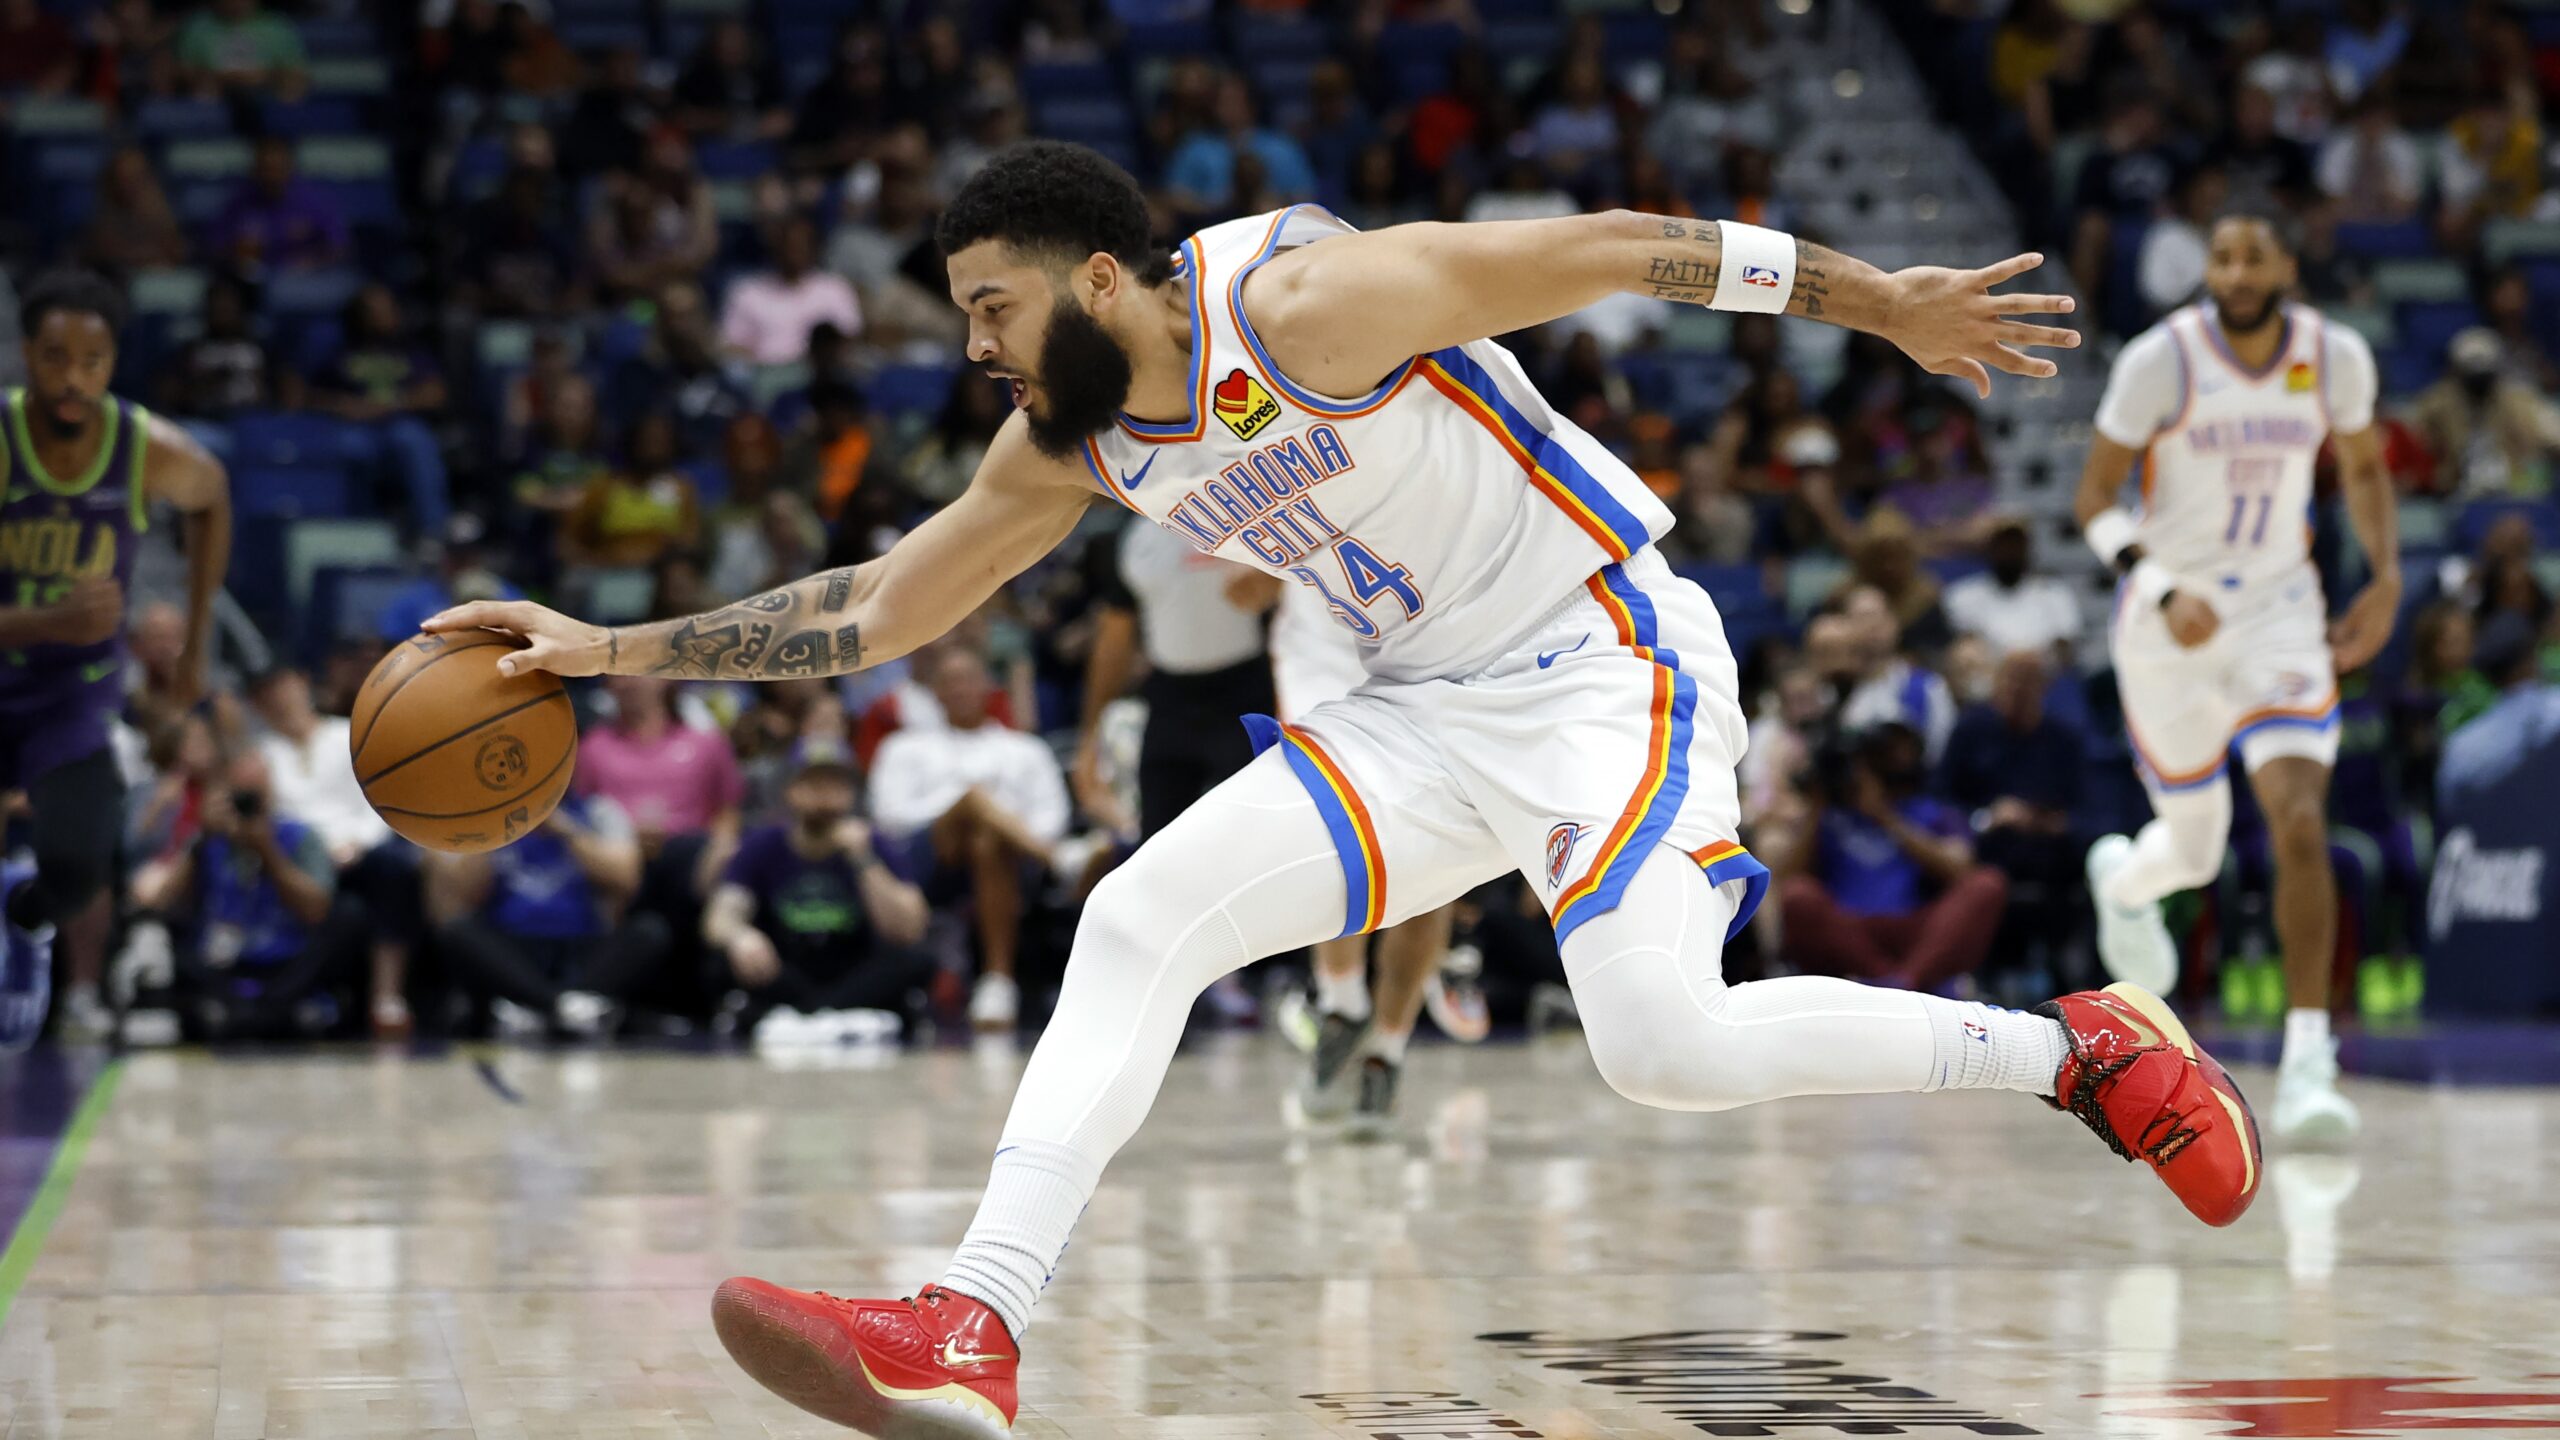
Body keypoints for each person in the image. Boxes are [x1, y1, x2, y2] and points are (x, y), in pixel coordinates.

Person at [429, 141, 2257, 1437]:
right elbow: (880, 607)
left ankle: (2079, 1052)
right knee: (1137, 914)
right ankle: (974, 1320)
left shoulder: (1312, 300)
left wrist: (1889, 310)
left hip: (1601, 662)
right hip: (1420, 709)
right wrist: (609, 653)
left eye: (990, 307)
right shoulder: (1065, 439)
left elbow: (1629, 243)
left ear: (1093, 278)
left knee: (1662, 1052)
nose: (973, 346)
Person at [2074, 206, 2396, 1147]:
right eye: (2224, 256)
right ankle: (2127, 887)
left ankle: (2307, 1064)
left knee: (2301, 823)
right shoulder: (2160, 361)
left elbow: (2368, 471)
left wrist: (2384, 578)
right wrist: (2155, 582)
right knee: (2198, 854)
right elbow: (2094, 498)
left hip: (2278, 612)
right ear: (2207, 270)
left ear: (2287, 263)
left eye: (2258, 253)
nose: (2240, 270)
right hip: (2170, 619)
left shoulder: (2334, 357)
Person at [0, 269, 231, 1042]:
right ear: (26, 353)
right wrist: (43, 620)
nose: (73, 380)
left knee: (77, 865)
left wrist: (197, 642)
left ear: (113, 362)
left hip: (73, 693)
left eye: (91, 362)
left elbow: (214, 496)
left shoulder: (144, 448)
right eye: (55, 358)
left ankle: (31, 921)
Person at [867, 644, 1070, 1031]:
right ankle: (1062, 861)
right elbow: (891, 816)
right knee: (974, 802)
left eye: (968, 679)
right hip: (927, 861)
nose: (960, 689)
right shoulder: (904, 747)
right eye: (949, 682)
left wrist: (989, 822)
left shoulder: (1025, 749)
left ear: (988, 687)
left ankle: (997, 981)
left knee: (986, 841)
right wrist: (963, 804)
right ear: (935, 692)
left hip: (1011, 861)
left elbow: (1052, 816)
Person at [130, 748, 362, 1039]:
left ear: (271, 792)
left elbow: (317, 910)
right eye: (240, 798)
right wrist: (199, 838)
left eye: (255, 798)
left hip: (285, 962)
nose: (248, 809)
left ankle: (283, 1010)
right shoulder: (208, 840)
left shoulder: (299, 835)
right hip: (222, 963)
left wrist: (269, 854)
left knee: (348, 916)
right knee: (165, 936)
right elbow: (164, 902)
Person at [702, 748, 933, 1037]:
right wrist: (740, 936)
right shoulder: (763, 843)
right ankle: (835, 1018)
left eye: (836, 785)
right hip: (787, 965)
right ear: (791, 791)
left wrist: (863, 861)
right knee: (723, 960)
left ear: (851, 794)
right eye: (814, 785)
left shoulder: (874, 843)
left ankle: (803, 1018)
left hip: (852, 968)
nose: (825, 796)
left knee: (918, 959)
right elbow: (719, 917)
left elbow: (910, 929)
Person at [1769, 721, 2009, 992]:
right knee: (1798, 894)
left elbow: (1961, 867)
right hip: (1848, 930)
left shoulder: (1927, 811)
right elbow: (1785, 883)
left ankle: (1905, 981)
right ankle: (1891, 981)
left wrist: (1885, 817)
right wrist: (1815, 806)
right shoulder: (1827, 816)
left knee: (1988, 884)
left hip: (1915, 929)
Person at [423, 789, 670, 1038]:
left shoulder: (598, 811)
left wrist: (564, 830)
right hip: (513, 950)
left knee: (650, 930)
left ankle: (539, 1007)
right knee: (457, 930)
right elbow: (464, 894)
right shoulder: (491, 817)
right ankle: (566, 1008)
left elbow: (627, 881)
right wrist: (492, 832)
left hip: (582, 947)